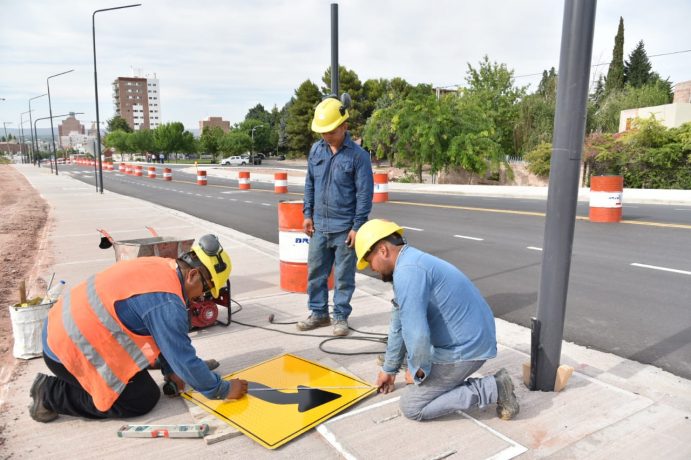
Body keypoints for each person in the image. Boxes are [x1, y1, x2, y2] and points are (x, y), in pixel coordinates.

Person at [28, 234, 248, 423]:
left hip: (60, 330)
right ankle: (49, 394)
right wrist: (222, 389)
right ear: (193, 275)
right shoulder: (168, 304)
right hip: (68, 353)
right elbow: (181, 355)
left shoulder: (161, 266)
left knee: (147, 369)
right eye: (205, 290)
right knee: (141, 399)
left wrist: (170, 370)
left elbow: (162, 335)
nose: (201, 297)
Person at [354, 219, 520, 422]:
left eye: (369, 261)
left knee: (413, 406)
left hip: (466, 350)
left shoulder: (408, 272)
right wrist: (390, 368)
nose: (371, 268)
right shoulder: (409, 263)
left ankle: (494, 387)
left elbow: (417, 333)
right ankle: (426, 370)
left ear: (382, 250)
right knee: (410, 359)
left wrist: (418, 372)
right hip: (468, 338)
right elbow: (399, 322)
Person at [298, 96, 374, 337]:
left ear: (344, 126)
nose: (326, 136)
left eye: (330, 131)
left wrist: (357, 226)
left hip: (344, 229)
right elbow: (310, 183)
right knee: (316, 272)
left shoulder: (358, 156)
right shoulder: (316, 150)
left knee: (343, 277)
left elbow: (364, 194)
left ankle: (340, 316)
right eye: (322, 132)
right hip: (319, 226)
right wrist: (307, 213)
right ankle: (319, 313)